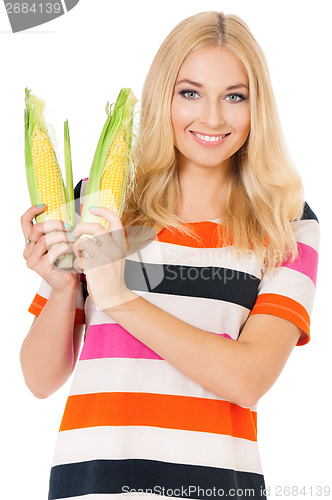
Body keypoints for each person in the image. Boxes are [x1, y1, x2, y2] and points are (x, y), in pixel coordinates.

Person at [20, 10, 319, 500]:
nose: (212, 118)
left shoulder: (286, 221)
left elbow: (248, 379)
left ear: (257, 106)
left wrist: (118, 297)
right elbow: (39, 379)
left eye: (235, 97)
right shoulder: (101, 203)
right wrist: (62, 288)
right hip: (91, 487)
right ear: (164, 96)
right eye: (190, 92)